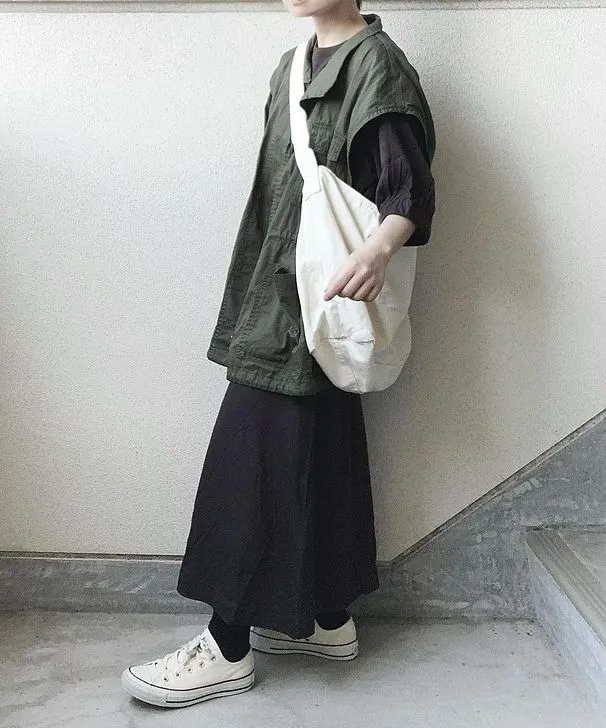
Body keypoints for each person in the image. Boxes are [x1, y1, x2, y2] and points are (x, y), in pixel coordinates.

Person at [121, 0, 435, 709]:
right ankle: (326, 620)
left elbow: (409, 190)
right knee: (322, 447)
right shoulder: (290, 68)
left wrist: (377, 252)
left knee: (250, 463)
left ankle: (227, 646)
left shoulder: (376, 66)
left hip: (321, 297)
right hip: (279, 287)